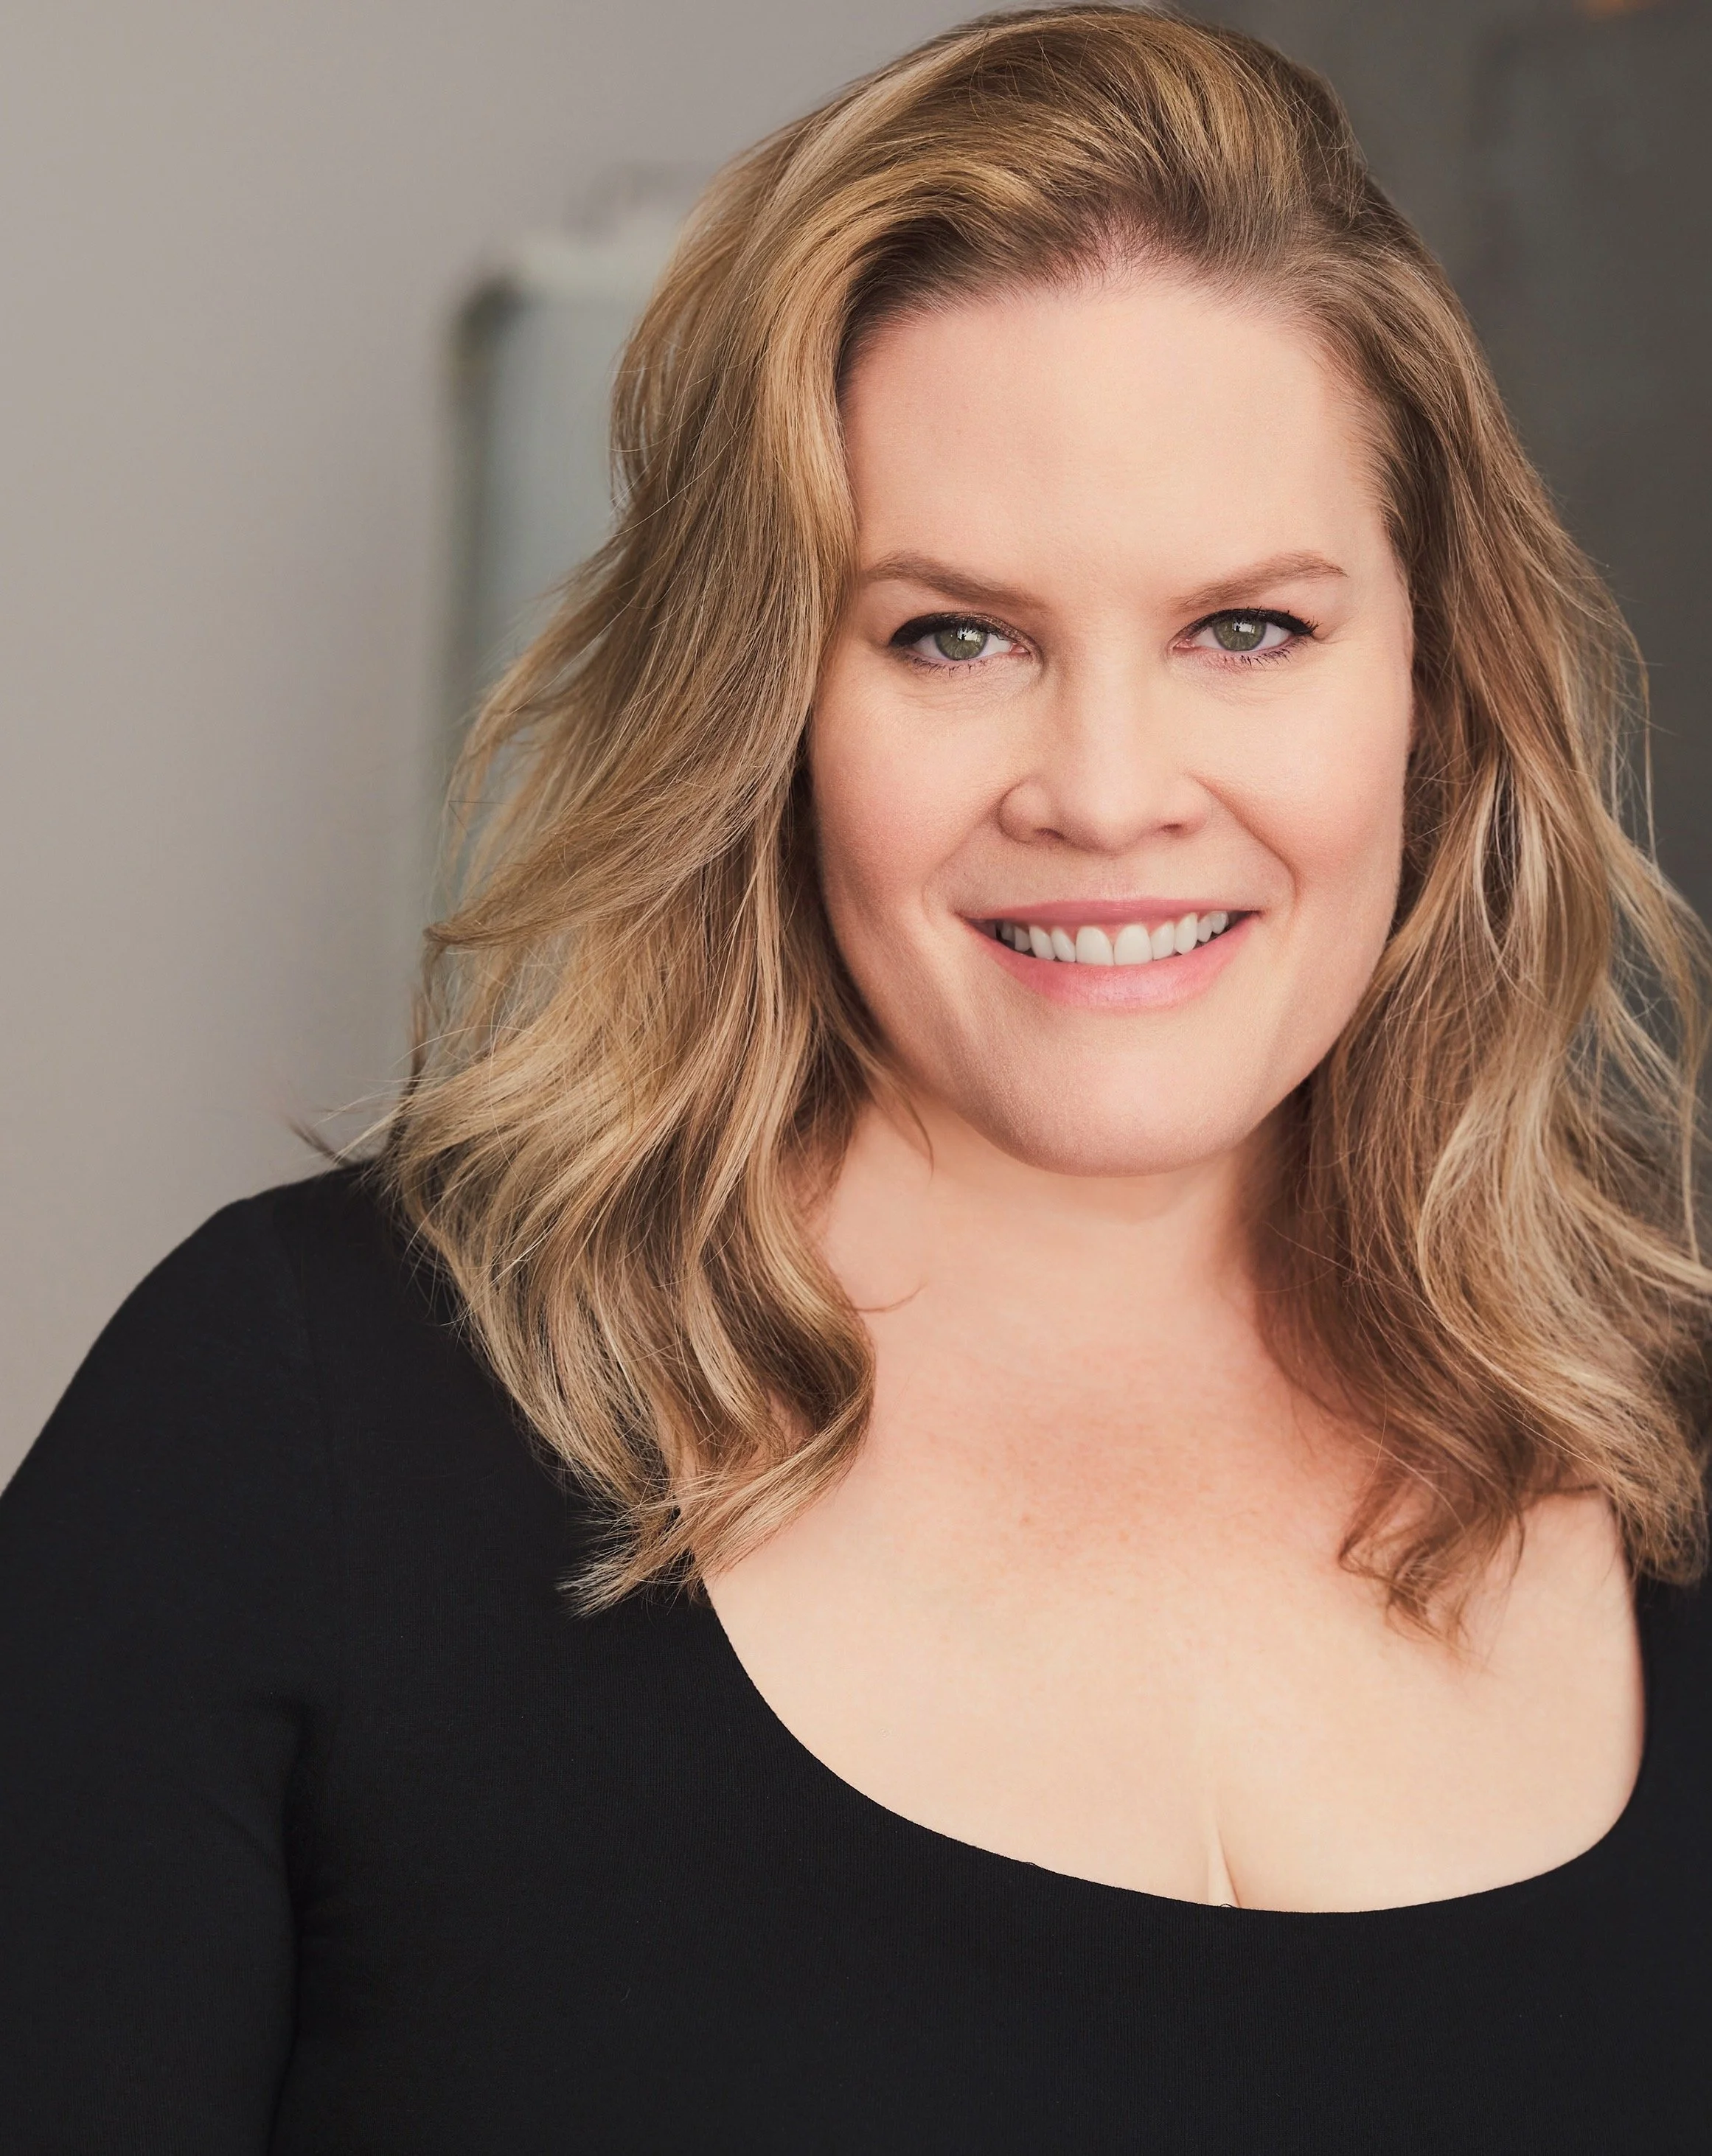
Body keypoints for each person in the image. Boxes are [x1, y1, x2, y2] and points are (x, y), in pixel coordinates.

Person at [4, 7, 1710, 2149]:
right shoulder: (292, 1425)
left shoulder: (1672, 1457)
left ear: (1436, 685)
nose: (1106, 793)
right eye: (951, 634)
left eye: (1249, 629)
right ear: (767, 708)